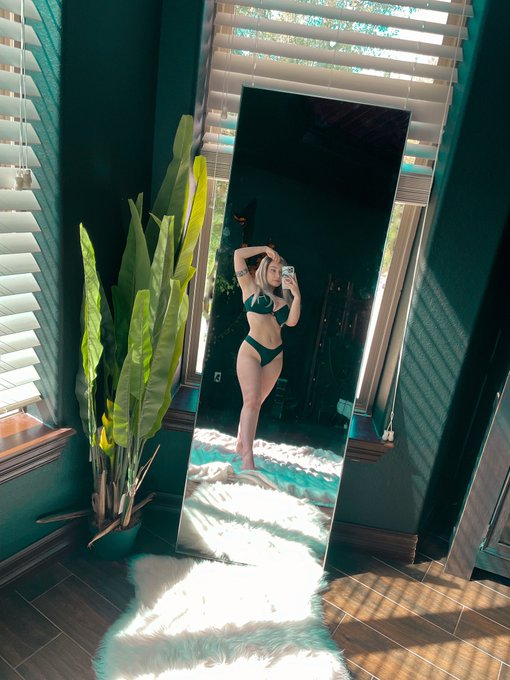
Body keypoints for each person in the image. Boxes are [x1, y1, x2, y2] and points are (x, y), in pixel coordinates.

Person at [233, 245, 301, 469]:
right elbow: (238, 255)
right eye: (273, 270)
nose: (277, 275)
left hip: (275, 356)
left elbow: (292, 322)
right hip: (251, 351)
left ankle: (241, 442)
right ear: (264, 269)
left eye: (281, 272)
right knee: (251, 401)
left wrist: (296, 295)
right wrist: (264, 249)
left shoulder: (284, 301)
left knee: (256, 404)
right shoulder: (250, 287)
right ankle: (247, 459)